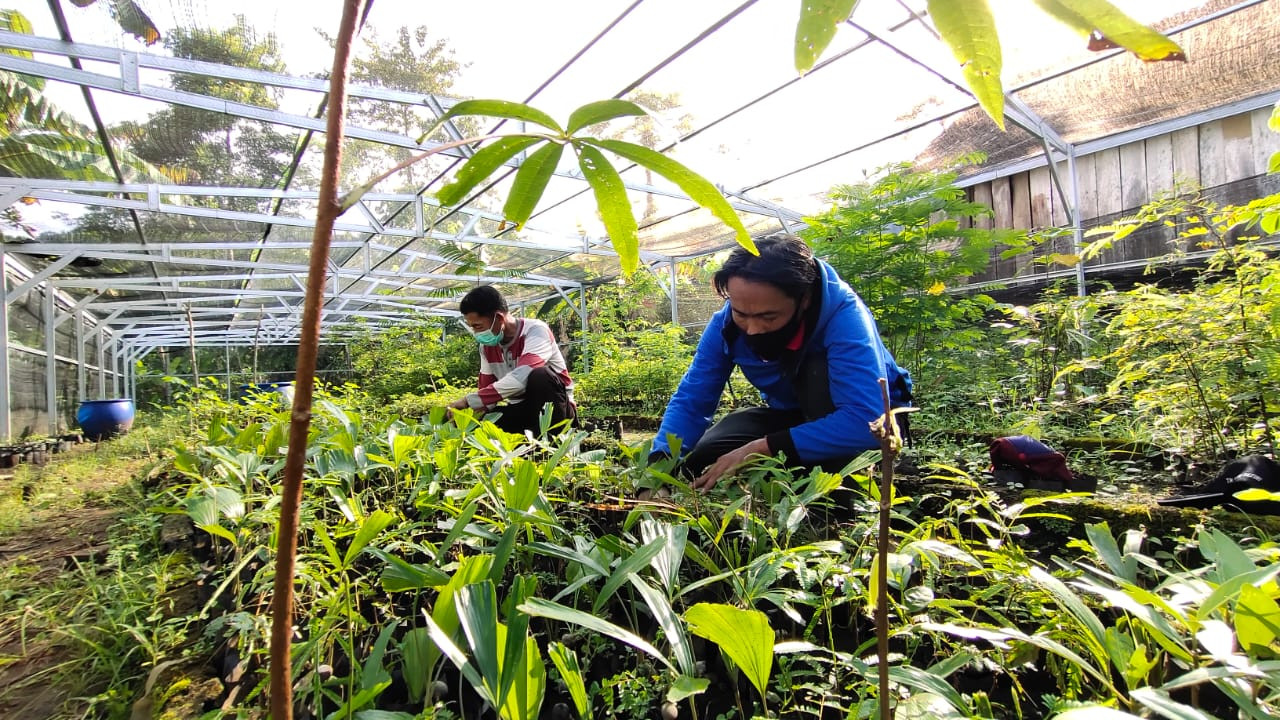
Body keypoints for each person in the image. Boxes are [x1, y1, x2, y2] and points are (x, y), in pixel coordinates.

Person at [650, 232, 911, 491]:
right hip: (790, 416)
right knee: (703, 457)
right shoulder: (726, 325)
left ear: (804, 299)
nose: (752, 329)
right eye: (741, 313)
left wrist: (764, 447)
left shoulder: (845, 318)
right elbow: (692, 398)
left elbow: (866, 420)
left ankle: (839, 480)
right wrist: (657, 471)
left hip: (864, 420)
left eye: (769, 317)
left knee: (817, 379)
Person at [447, 286, 577, 435]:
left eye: (478, 326)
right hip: (522, 410)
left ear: (499, 318)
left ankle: (555, 442)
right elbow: (486, 394)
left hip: (557, 410)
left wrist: (467, 400)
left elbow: (521, 377)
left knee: (540, 375)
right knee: (481, 421)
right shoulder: (486, 347)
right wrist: (466, 413)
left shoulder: (535, 331)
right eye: (472, 327)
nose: (476, 333)